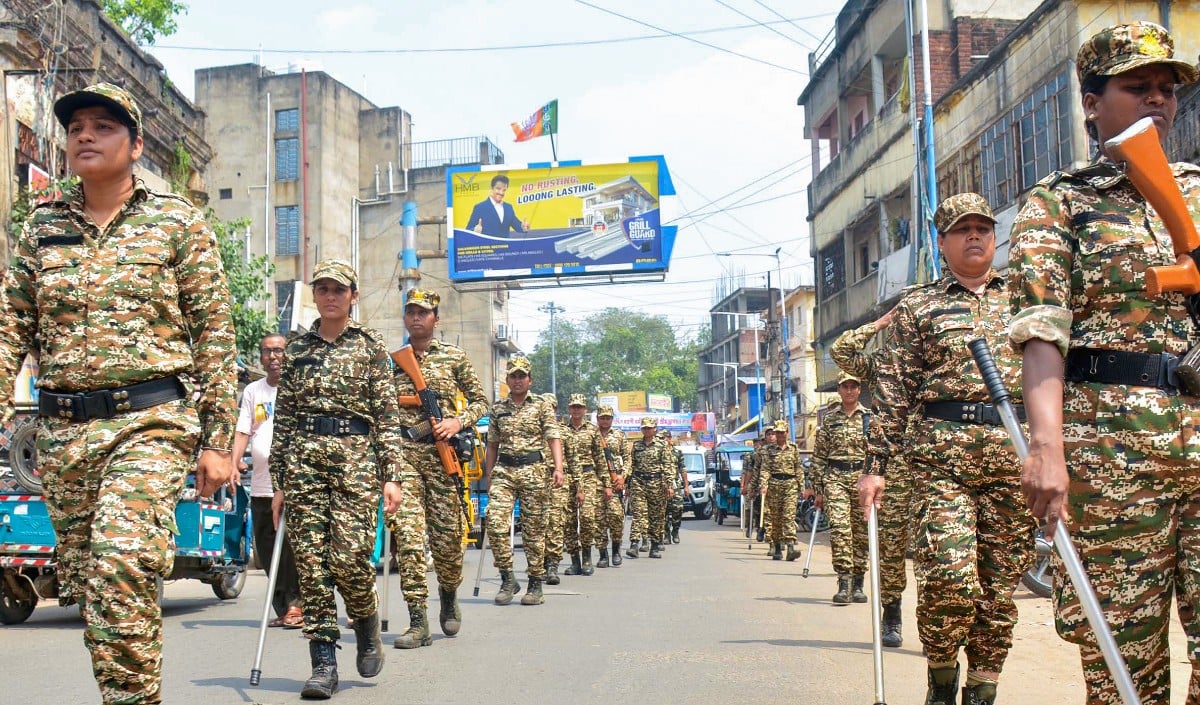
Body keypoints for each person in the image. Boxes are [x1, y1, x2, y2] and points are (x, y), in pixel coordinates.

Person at [0, 82, 237, 705]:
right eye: (76, 125)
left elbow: (214, 332)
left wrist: (218, 441)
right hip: (64, 437)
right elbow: (10, 327)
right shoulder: (42, 225)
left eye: (103, 126)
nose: (85, 134)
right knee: (95, 590)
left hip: (150, 421)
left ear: (135, 146)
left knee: (121, 562)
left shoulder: (176, 223)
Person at [1008, 21, 1200, 704]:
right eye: (1136, 86)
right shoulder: (1060, 205)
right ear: (1091, 101)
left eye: (1167, 89)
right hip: (1113, 466)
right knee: (1125, 672)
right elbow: (1042, 333)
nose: (1158, 100)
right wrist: (1047, 449)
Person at [860, 193, 1035, 705]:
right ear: (942, 242)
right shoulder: (919, 306)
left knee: (997, 592)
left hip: (1012, 459)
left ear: (995, 236)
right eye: (963, 230)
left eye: (983, 227)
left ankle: (983, 689)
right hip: (941, 464)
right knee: (950, 578)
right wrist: (876, 466)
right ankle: (940, 677)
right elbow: (893, 392)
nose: (975, 236)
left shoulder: (1025, 298)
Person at [270, 259, 405, 699]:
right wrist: (279, 481)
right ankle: (323, 663)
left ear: (353, 296)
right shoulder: (296, 348)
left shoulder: (369, 346)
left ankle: (366, 622)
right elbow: (284, 416)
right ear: (315, 294)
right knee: (311, 566)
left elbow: (387, 417)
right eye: (323, 288)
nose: (330, 296)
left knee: (348, 559)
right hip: (304, 460)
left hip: (356, 461)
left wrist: (392, 476)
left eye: (338, 289)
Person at [387, 288, 488, 649]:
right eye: (411, 311)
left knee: (448, 544)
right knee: (410, 541)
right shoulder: (390, 362)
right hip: (405, 459)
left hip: (443, 458)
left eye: (423, 312)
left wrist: (457, 422)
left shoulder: (454, 357)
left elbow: (481, 402)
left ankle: (448, 593)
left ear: (435, 319)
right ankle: (418, 621)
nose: (416, 317)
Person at [836, 310, 914, 647]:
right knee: (892, 546)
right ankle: (892, 611)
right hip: (893, 466)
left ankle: (938, 619)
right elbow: (841, 352)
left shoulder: (949, 353)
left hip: (939, 463)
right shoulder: (885, 363)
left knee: (936, 549)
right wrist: (879, 324)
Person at [233, 334, 302, 629]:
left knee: (291, 548)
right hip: (261, 484)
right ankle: (282, 605)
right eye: (267, 351)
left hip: (293, 482)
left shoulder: (298, 388)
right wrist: (233, 461)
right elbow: (243, 430)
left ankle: (297, 605)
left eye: (278, 351)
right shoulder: (253, 391)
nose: (273, 356)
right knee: (266, 547)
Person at [482, 357, 564, 605]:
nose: (517, 381)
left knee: (534, 532)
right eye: (513, 376)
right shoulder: (497, 409)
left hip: (534, 470)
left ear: (530, 380)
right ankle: (508, 578)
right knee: (495, 525)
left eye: (522, 376)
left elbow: (553, 438)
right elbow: (492, 444)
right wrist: (489, 475)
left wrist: (558, 468)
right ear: (507, 380)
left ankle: (535, 584)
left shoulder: (540, 406)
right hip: (504, 471)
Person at [559, 394, 610, 576]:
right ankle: (575, 561)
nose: (577, 410)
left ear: (585, 409)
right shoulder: (561, 430)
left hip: (588, 475)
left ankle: (587, 556)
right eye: (574, 407)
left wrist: (606, 484)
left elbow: (600, 458)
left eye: (580, 407)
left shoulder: (592, 430)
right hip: (567, 477)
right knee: (568, 521)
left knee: (588, 518)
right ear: (569, 409)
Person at [625, 417, 672, 559]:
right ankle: (634, 544)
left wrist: (669, 484)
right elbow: (631, 465)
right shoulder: (636, 445)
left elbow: (668, 465)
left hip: (656, 483)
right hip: (638, 482)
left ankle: (655, 545)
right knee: (638, 514)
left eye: (649, 428)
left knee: (655, 516)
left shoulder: (662, 445)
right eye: (644, 428)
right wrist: (628, 484)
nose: (647, 430)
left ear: (655, 429)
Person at [761, 420, 805, 562]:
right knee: (776, 517)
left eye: (782, 432)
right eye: (777, 432)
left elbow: (798, 467)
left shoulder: (793, 448)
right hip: (774, 484)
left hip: (790, 484)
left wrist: (802, 486)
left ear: (787, 433)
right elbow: (765, 468)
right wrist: (764, 484)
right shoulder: (769, 450)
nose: (779, 435)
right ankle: (778, 547)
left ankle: (791, 546)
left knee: (789, 515)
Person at [539, 392, 570, 585]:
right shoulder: (533, 429)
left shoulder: (564, 433)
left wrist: (579, 487)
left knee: (556, 523)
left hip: (558, 480)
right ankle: (539, 562)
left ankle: (552, 565)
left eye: (551, 408)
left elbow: (573, 461)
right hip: (537, 479)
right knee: (537, 522)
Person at [595, 404, 630, 567]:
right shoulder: (591, 434)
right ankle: (603, 554)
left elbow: (628, 458)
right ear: (597, 419)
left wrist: (623, 476)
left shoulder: (619, 435)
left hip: (615, 480)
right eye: (602, 418)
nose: (605, 420)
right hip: (594, 480)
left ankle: (616, 549)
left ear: (612, 419)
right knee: (598, 520)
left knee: (616, 516)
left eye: (608, 418)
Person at [660, 430, 686, 545]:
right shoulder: (658, 452)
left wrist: (686, 486)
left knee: (678, 509)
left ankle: (675, 531)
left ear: (669, 439)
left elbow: (683, 469)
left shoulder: (677, 452)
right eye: (661, 439)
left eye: (665, 438)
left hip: (675, 484)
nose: (664, 441)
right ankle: (666, 534)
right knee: (663, 510)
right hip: (662, 485)